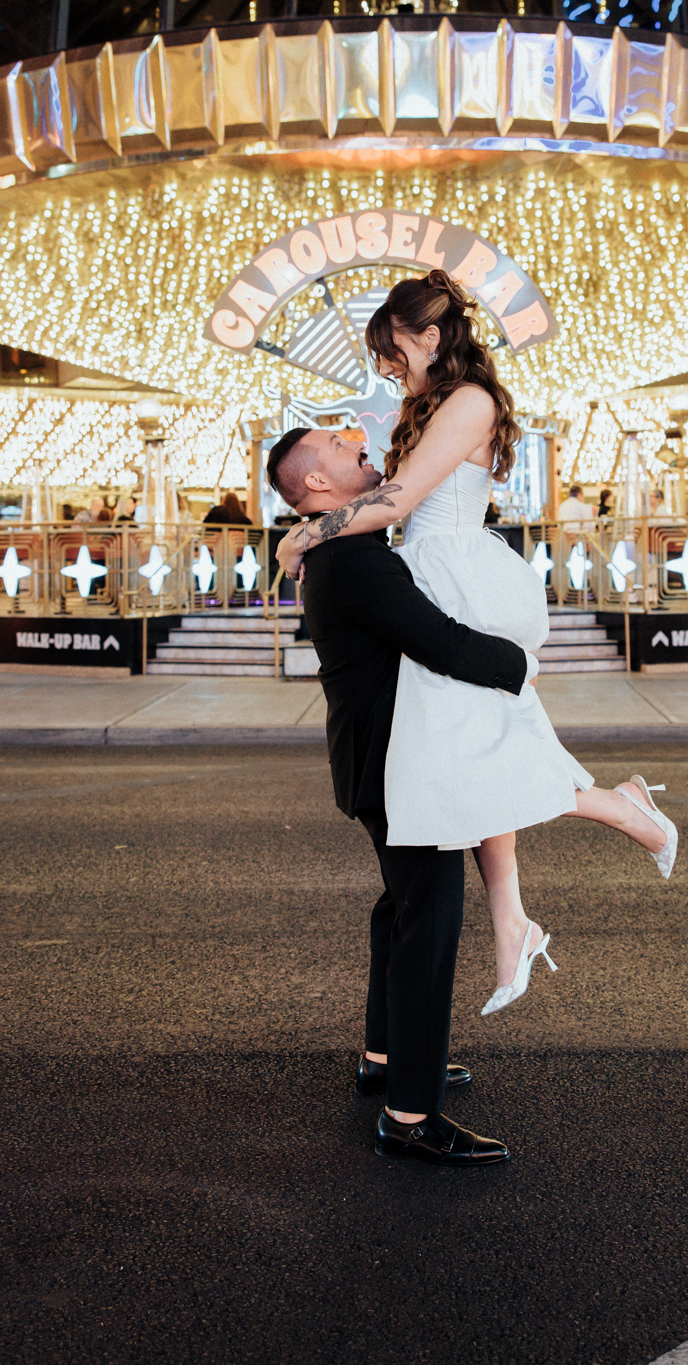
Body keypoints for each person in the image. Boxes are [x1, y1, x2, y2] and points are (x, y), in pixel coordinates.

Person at [275, 270, 677, 1015]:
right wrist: (319, 528)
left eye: (392, 351)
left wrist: (307, 531)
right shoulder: (426, 401)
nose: (386, 368)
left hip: (463, 578)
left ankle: (621, 812)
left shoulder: (468, 401)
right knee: (474, 761)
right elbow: (384, 501)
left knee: (482, 754)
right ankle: (512, 923)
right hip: (434, 573)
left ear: (429, 336)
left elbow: (394, 500)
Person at [267, 423, 529, 1166]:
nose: (357, 439)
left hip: (376, 760)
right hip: (398, 767)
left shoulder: (338, 546)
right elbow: (439, 641)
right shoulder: (352, 560)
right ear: (315, 484)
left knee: (401, 908)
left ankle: (383, 1059)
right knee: (430, 923)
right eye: (337, 443)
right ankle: (410, 1116)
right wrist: (520, 665)